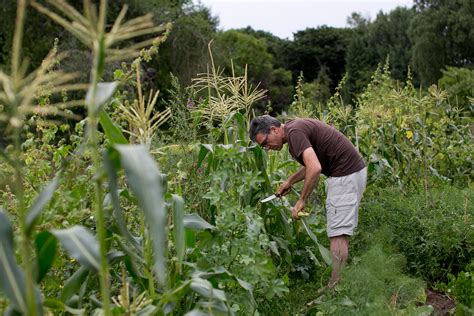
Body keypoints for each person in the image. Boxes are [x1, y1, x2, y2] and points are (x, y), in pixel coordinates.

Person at [249, 115, 367, 288]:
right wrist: (290, 181)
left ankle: (334, 287)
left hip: (344, 176)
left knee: (338, 234)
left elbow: (315, 168)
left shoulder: (294, 133)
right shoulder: (293, 130)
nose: (267, 148)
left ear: (274, 130)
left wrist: (301, 200)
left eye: (265, 143)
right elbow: (312, 163)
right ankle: (337, 284)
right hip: (350, 173)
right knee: (339, 232)